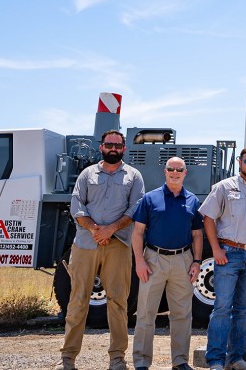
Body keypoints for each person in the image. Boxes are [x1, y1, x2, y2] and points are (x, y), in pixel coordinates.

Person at [56, 130, 145, 370]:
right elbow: (77, 204)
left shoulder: (134, 176)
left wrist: (111, 229)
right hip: (86, 243)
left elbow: (136, 207)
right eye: (109, 145)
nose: (113, 148)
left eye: (118, 145)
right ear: (101, 147)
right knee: (77, 301)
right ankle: (68, 358)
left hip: (118, 245)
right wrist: (96, 229)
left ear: (124, 149)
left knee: (118, 303)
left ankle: (117, 359)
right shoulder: (87, 174)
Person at [200, 147, 246, 370]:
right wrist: (216, 250)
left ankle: (236, 358)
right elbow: (209, 218)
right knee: (222, 308)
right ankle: (215, 360)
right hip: (228, 254)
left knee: (244, 310)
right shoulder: (224, 187)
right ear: (240, 162)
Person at [130, 157, 203, 370]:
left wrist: (197, 262)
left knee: (182, 314)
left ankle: (180, 361)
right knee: (145, 313)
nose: (175, 172)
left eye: (179, 169)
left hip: (183, 259)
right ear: (165, 171)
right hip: (154, 259)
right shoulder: (150, 198)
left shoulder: (192, 201)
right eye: (171, 169)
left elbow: (197, 235)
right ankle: (142, 362)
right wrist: (140, 261)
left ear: (185, 172)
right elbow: (138, 232)